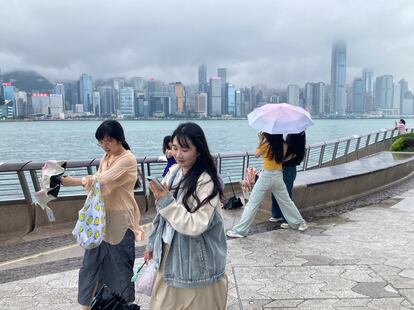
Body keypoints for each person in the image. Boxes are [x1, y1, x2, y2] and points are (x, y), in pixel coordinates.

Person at [61, 120, 144, 310]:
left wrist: (71, 181)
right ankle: (88, 306)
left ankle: (126, 306)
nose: (105, 146)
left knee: (121, 268)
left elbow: (101, 180)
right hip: (99, 221)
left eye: (108, 141)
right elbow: (99, 187)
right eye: (101, 142)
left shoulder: (127, 159)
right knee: (90, 266)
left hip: (120, 222)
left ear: (119, 139)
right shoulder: (105, 157)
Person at [144, 122, 228, 310]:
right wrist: (152, 244)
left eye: (185, 149)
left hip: (195, 262)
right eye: (174, 148)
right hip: (169, 253)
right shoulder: (174, 173)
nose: (178, 155)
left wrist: (166, 201)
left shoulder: (206, 181)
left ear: (199, 150)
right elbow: (161, 216)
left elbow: (195, 225)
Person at [226, 132, 308, 238]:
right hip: (278, 176)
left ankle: (240, 231)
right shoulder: (284, 145)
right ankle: (299, 223)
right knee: (286, 202)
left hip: (266, 176)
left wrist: (261, 140)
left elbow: (256, 154)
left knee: (252, 203)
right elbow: (282, 159)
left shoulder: (266, 145)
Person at [269, 132, 306, 228]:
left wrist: (281, 161)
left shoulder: (293, 140)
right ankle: (276, 215)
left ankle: (287, 219)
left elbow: (288, 156)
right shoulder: (299, 141)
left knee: (285, 194)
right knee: (277, 191)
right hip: (287, 169)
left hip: (287, 170)